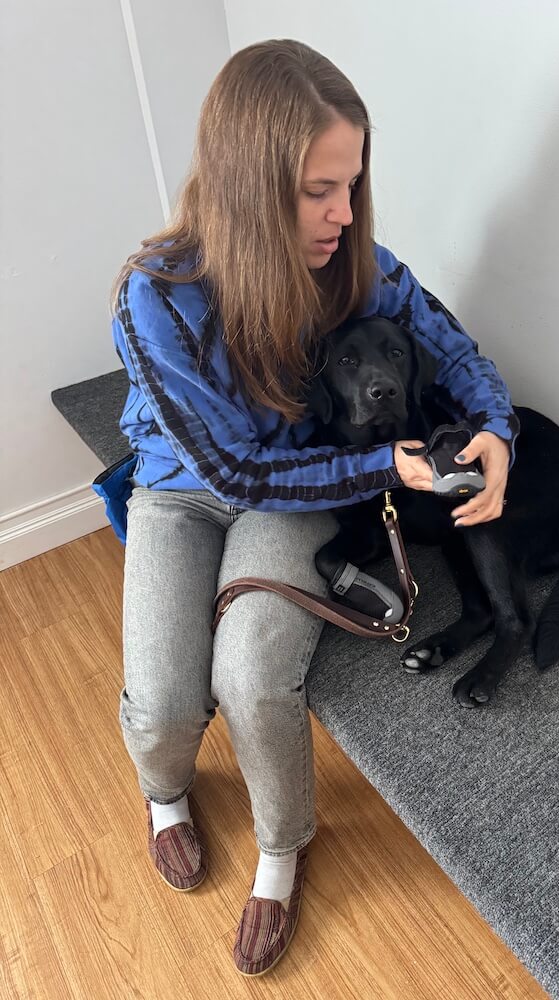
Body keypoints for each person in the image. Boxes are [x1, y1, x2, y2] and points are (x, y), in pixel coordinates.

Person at [104, 38, 518, 978]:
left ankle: (282, 850)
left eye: (351, 186)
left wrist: (495, 427)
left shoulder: (353, 260)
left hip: (303, 483)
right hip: (186, 489)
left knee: (252, 678)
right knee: (168, 702)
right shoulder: (156, 299)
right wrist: (390, 466)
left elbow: (451, 348)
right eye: (316, 191)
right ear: (248, 181)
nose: (342, 215)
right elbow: (235, 473)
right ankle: (166, 792)